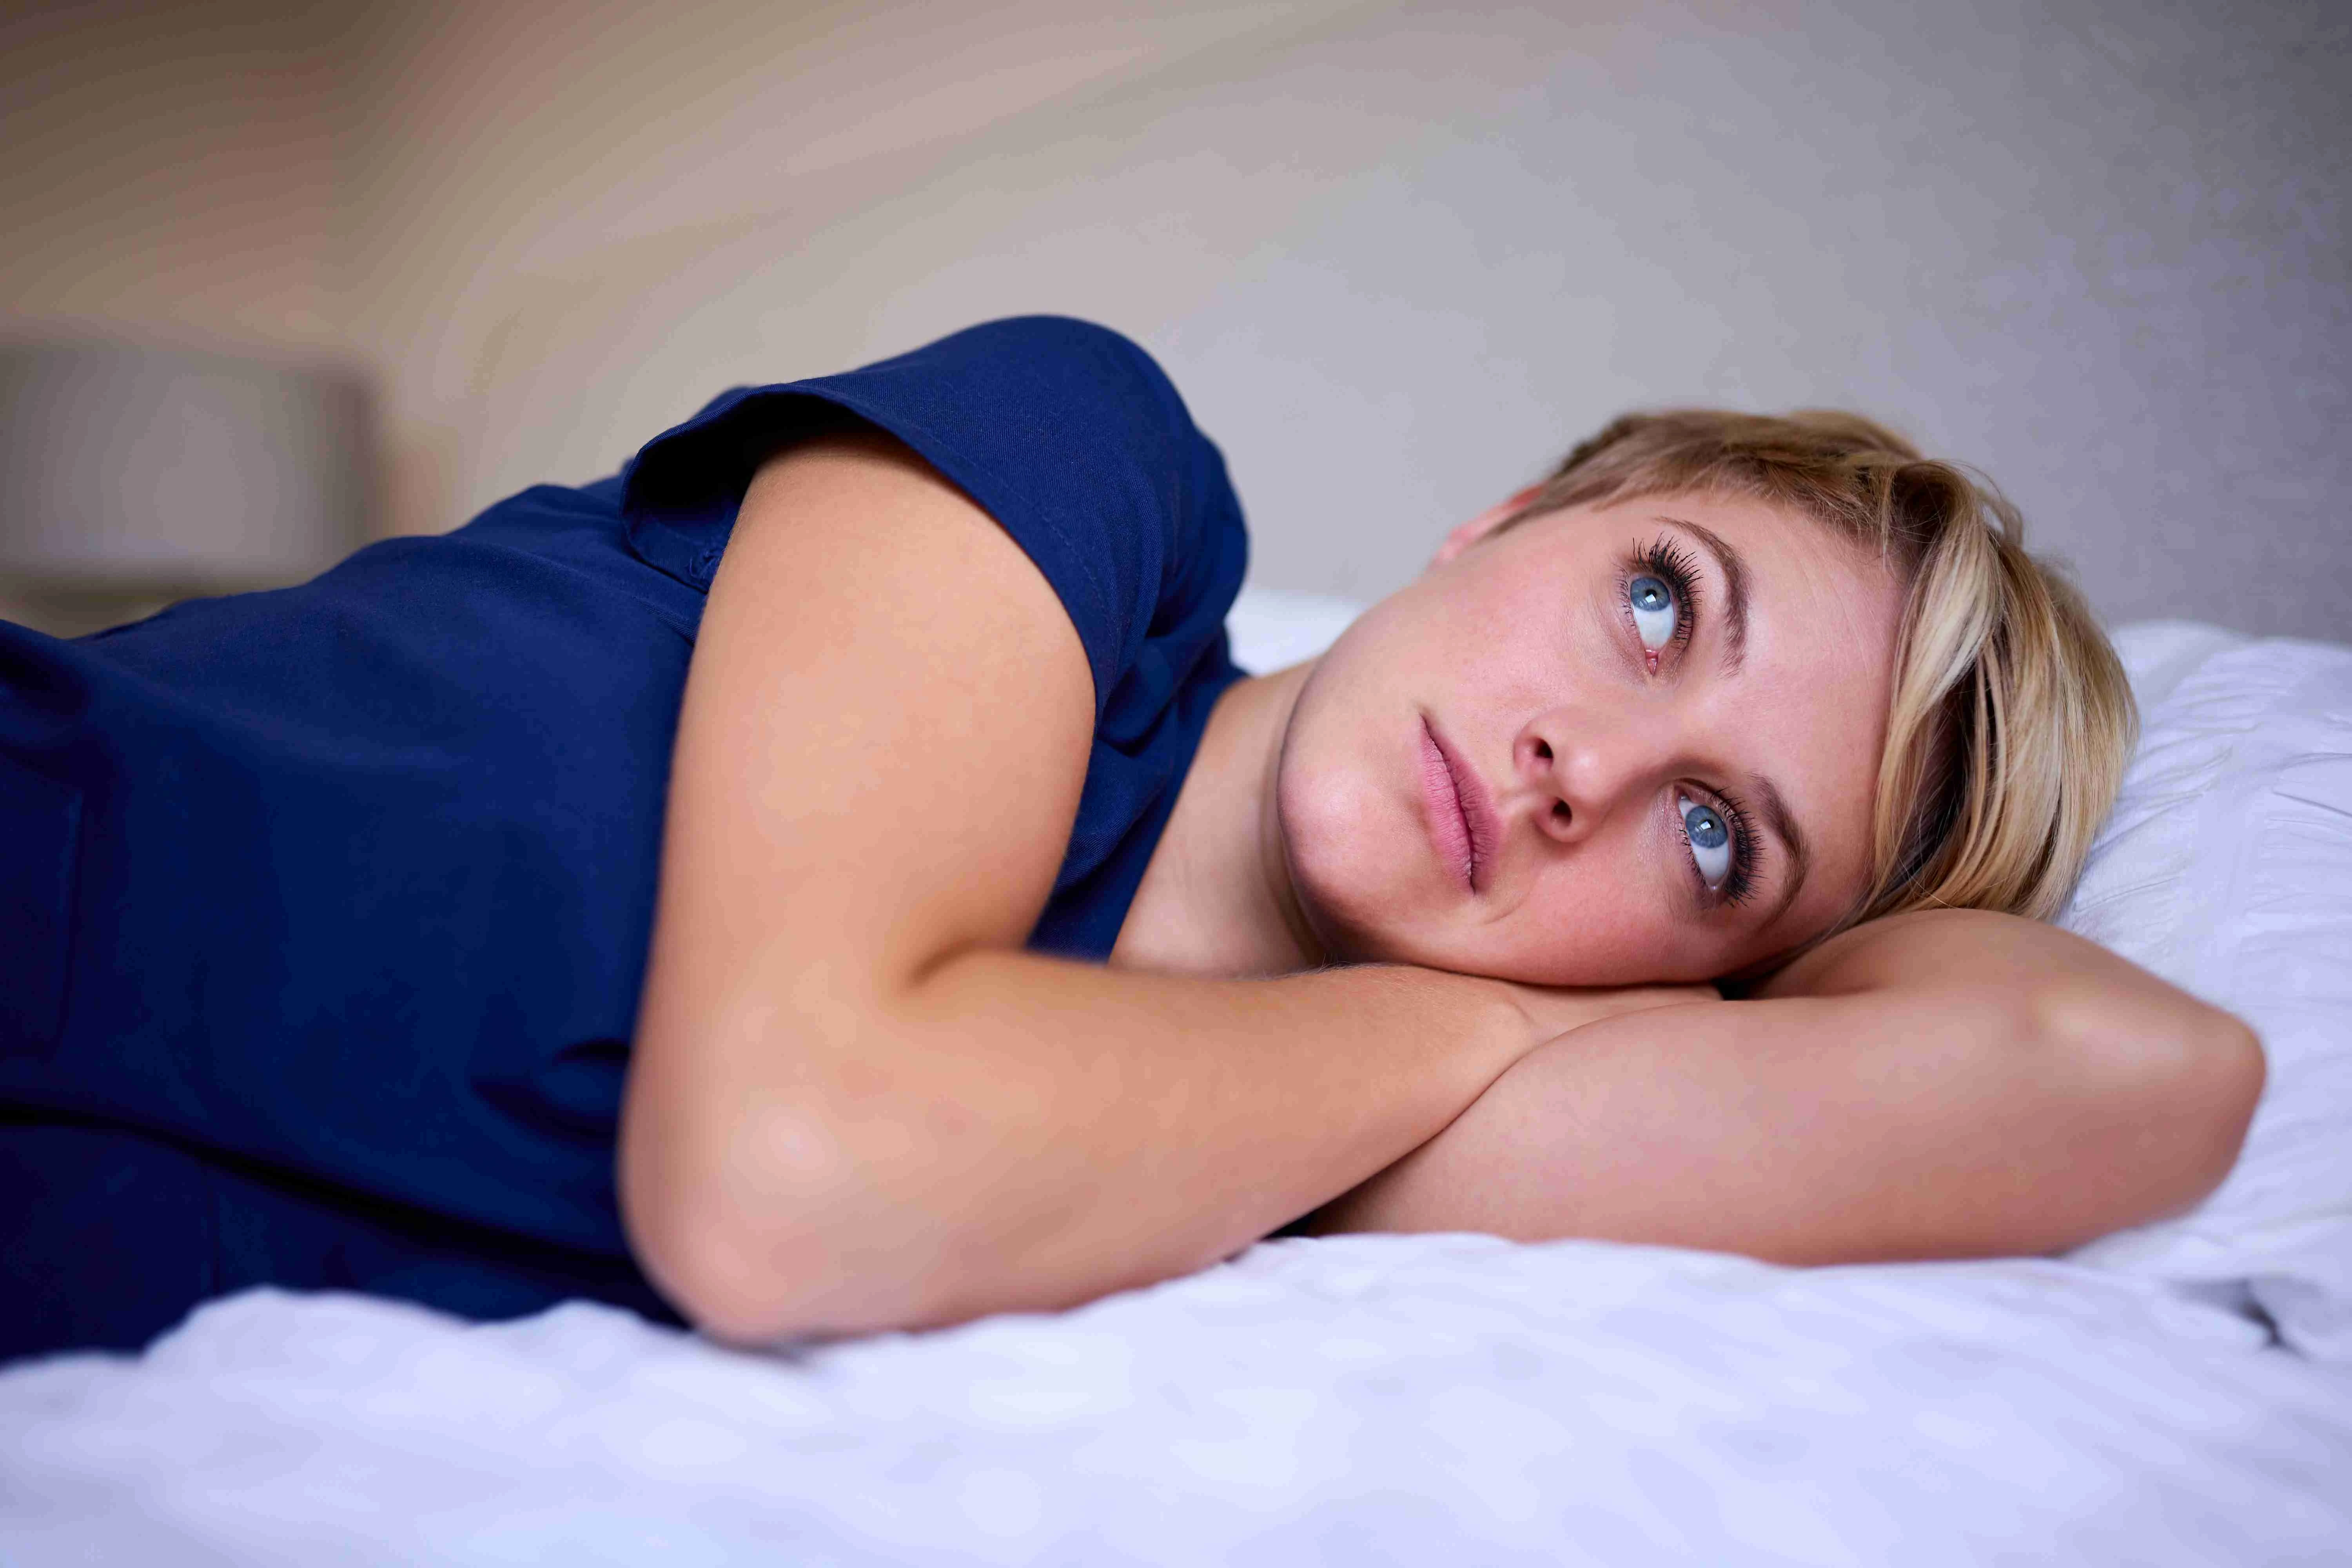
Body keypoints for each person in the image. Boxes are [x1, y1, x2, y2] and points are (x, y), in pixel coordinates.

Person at [0, 317, 2260, 1361]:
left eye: (1715, 846)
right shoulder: (1085, 472)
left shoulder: (1288, 1166)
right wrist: (1456, 1017)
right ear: (1519, 515)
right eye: (1658, 601)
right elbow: (790, 1182)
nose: (1590, 760)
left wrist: (1467, 1041)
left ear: (1727, 996)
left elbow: (2128, 1079)